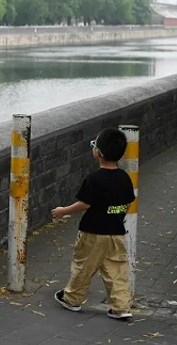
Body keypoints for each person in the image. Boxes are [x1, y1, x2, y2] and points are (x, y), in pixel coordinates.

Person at [52, 128, 135, 319]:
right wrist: (119, 215)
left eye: (93, 145)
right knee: (117, 270)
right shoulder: (125, 177)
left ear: (97, 152)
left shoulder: (94, 178)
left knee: (84, 267)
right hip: (116, 232)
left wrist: (63, 211)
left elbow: (84, 203)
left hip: (93, 232)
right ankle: (121, 307)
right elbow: (128, 202)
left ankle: (72, 299)